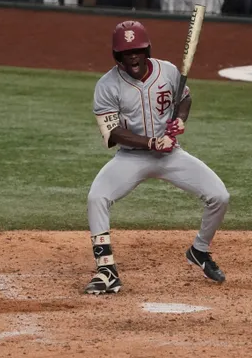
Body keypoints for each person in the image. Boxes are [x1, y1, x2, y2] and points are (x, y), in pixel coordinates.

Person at [84, 20, 230, 295]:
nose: (133, 57)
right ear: (118, 56)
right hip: (131, 158)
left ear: (146, 50)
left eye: (137, 50)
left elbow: (184, 99)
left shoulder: (168, 71)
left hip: (171, 155)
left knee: (219, 197)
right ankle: (107, 270)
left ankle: (199, 250)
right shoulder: (107, 85)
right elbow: (113, 133)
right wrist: (151, 142)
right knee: (97, 197)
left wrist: (180, 121)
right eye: (127, 53)